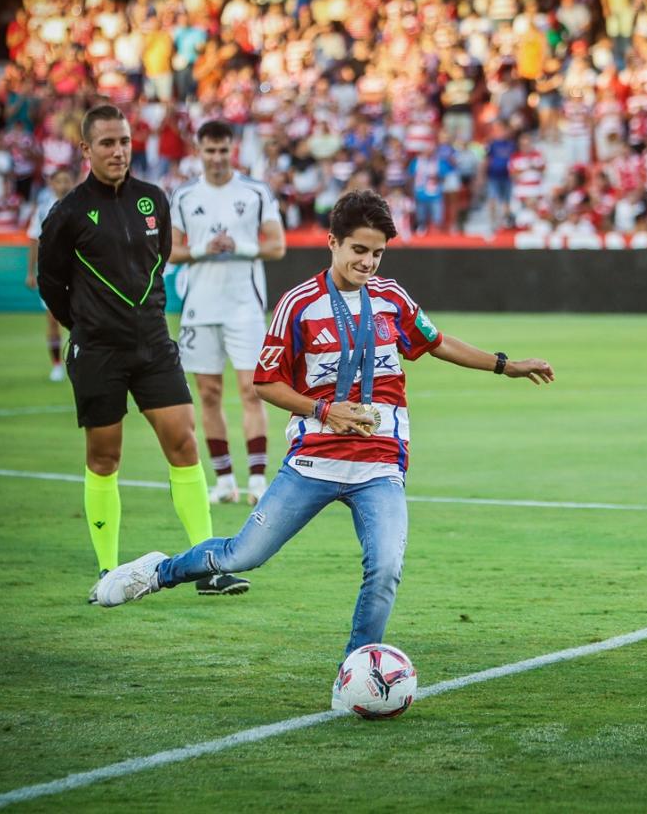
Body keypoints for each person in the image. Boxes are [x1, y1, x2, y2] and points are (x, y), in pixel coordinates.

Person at [95, 189, 555, 660]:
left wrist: (505, 364)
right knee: (242, 555)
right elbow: (266, 383)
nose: (369, 262)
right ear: (333, 242)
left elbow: (437, 342)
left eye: (377, 253)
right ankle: (157, 571)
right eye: (359, 250)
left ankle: (359, 669)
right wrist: (322, 410)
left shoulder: (392, 298)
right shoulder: (298, 304)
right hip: (314, 461)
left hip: (380, 464)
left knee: (386, 566)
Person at [36, 104, 236, 601]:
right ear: (85, 149)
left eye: (124, 141)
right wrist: (84, 327)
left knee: (184, 443)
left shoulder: (153, 200)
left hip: (153, 345)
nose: (118, 151)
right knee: (105, 457)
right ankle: (108, 570)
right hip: (98, 351)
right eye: (106, 143)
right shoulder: (67, 214)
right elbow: (50, 284)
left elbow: (161, 256)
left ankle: (207, 563)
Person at [169, 120, 287, 508]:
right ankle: (223, 481)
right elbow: (170, 251)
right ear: (198, 151)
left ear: (232, 150)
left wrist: (240, 244)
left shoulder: (254, 192)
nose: (217, 158)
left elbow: (277, 246)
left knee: (254, 390)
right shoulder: (184, 195)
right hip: (200, 307)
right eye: (210, 151)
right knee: (209, 393)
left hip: (244, 306)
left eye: (223, 150)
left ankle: (256, 479)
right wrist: (204, 248)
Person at [26, 166, 74, 382]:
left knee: (83, 318)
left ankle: (79, 360)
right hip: (51, 274)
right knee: (52, 320)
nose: (63, 184)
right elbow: (34, 241)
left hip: (77, 274)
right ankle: (56, 365)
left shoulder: (82, 206)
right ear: (52, 184)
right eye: (59, 181)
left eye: (66, 180)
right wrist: (30, 272)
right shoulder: (43, 209)